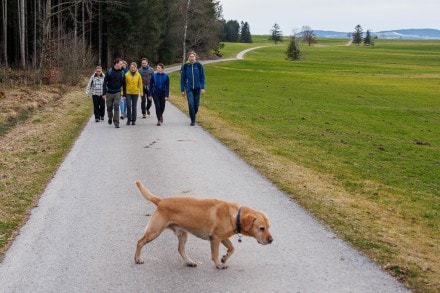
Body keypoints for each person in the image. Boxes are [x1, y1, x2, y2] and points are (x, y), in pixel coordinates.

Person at [180, 51, 205, 126]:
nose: (191, 58)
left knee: (196, 105)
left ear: (195, 57)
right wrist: (182, 90)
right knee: (191, 103)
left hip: (197, 88)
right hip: (189, 88)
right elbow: (182, 79)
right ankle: (193, 120)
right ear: (188, 57)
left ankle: (193, 114)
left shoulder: (199, 65)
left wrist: (202, 87)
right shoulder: (185, 66)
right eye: (190, 56)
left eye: (193, 56)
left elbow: (202, 77)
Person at [103, 58, 125, 128]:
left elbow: (124, 84)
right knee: (109, 108)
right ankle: (110, 117)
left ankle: (116, 122)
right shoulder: (109, 72)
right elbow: (104, 83)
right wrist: (104, 93)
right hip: (109, 92)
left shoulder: (122, 73)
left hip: (117, 92)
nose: (122, 65)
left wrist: (124, 94)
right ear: (116, 64)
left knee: (116, 107)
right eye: (121, 64)